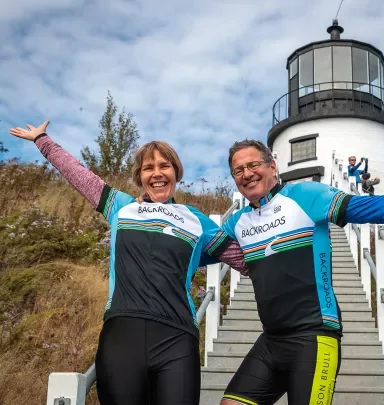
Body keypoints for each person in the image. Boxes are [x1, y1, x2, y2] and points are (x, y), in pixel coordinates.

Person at [219, 139, 384, 405]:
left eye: (253, 164)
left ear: (272, 167)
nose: (247, 174)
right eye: (238, 170)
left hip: (314, 336)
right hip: (271, 339)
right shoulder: (238, 222)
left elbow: (372, 208)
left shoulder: (305, 196)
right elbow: (198, 248)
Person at [8, 120, 248, 405]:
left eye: (164, 166)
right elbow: (78, 175)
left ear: (176, 172)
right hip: (122, 338)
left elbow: (244, 260)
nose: (157, 173)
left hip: (177, 341)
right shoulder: (121, 207)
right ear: (139, 176)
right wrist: (43, 140)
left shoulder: (196, 220)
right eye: (148, 168)